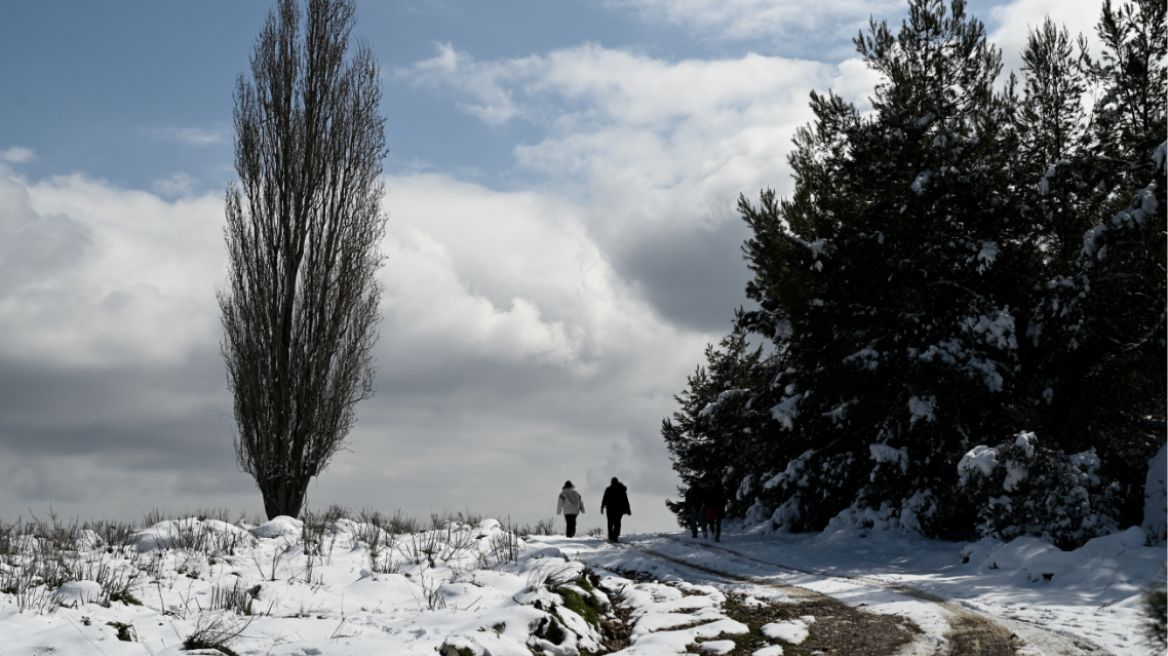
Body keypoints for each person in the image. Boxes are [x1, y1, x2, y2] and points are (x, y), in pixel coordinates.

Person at [600, 477, 631, 543]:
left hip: (610, 508)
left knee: (610, 522)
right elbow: (625, 500)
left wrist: (602, 507)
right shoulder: (621, 489)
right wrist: (628, 510)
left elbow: (604, 499)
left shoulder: (608, 489)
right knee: (617, 522)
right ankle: (615, 536)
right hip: (619, 509)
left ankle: (611, 536)